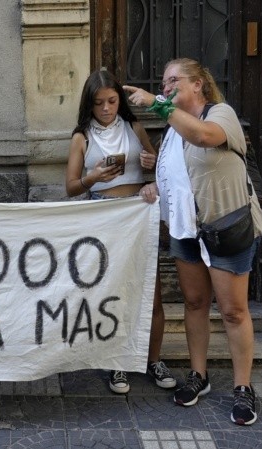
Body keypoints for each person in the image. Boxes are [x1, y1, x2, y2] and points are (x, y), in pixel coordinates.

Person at [124, 58, 262, 426]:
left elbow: (203, 137)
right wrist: (155, 183)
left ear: (198, 84)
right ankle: (198, 376)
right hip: (185, 232)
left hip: (225, 227)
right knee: (195, 303)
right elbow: (176, 176)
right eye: (163, 82)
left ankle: (243, 388)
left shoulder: (221, 115)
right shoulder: (171, 131)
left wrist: (156, 102)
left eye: (174, 80)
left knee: (233, 311)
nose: (166, 86)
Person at [65, 68, 176, 395]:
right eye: (98, 103)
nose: (106, 109)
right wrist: (93, 178)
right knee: (114, 292)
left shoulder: (134, 127)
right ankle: (116, 362)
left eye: (112, 101)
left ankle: (153, 359)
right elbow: (70, 187)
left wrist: (151, 162)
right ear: (90, 104)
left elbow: (159, 170)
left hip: (138, 213)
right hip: (104, 217)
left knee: (151, 291)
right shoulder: (81, 137)